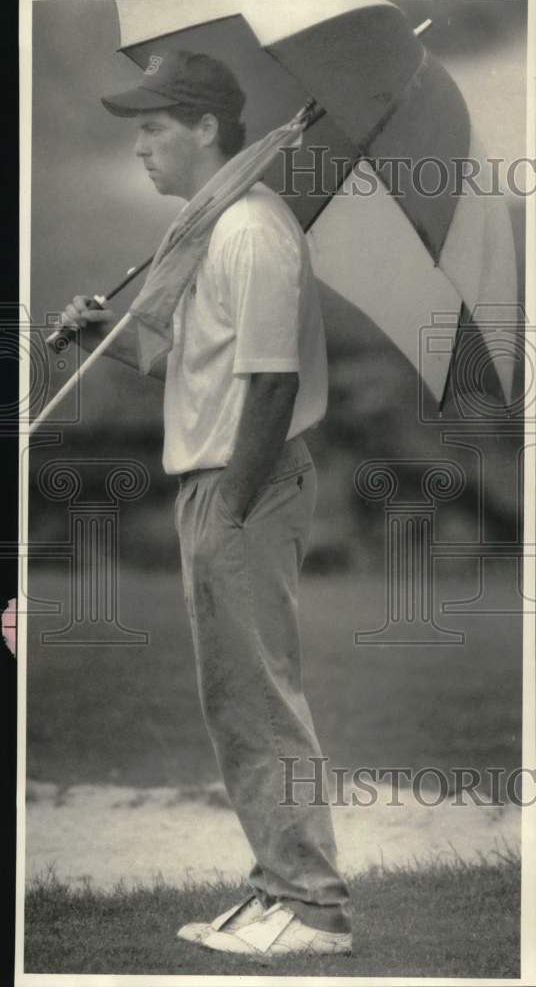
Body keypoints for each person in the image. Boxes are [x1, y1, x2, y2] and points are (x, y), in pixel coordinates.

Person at [61, 49, 351, 959]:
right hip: (225, 483)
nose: (140, 148)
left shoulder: (250, 231)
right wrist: (96, 334)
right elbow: (188, 358)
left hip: (245, 485)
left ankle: (313, 908)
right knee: (237, 700)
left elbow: (271, 383)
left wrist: (227, 508)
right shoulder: (211, 226)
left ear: (206, 130)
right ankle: (277, 889)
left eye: (152, 128)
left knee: (260, 699)